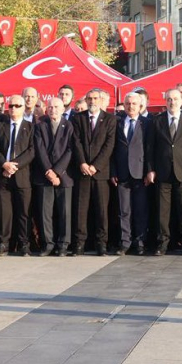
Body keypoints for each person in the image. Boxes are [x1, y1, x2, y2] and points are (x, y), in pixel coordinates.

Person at [147, 88, 182, 255]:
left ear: (181, 101)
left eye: (175, 99)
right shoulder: (157, 121)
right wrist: (150, 169)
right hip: (162, 171)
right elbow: (150, 147)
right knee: (163, 211)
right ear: (165, 101)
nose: (172, 102)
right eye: (169, 99)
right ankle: (162, 243)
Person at [71, 89, 116, 255]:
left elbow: (109, 145)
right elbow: (76, 142)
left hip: (100, 172)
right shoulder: (77, 118)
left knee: (102, 210)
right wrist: (82, 163)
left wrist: (96, 166)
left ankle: (101, 244)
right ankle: (79, 244)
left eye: (95, 98)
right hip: (82, 171)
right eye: (89, 98)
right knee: (80, 210)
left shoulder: (110, 119)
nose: (92, 101)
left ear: (101, 100)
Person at [0, 95, 35, 256]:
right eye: (11, 106)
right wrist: (4, 164)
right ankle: (3, 243)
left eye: (17, 106)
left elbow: (32, 150)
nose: (13, 108)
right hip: (3, 174)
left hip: (22, 175)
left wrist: (14, 165)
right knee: (4, 212)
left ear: (24, 108)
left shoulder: (30, 127)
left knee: (24, 212)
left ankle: (24, 244)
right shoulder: (0, 126)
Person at [34, 97, 74, 256]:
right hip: (44, 175)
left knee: (65, 212)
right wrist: (49, 171)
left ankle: (63, 245)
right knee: (45, 212)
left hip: (64, 175)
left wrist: (57, 171)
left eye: (56, 107)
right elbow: (40, 149)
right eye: (50, 107)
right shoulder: (40, 126)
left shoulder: (69, 126)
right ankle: (48, 244)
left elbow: (70, 150)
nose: (53, 110)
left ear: (63, 109)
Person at [110, 92, 149, 255]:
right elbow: (112, 149)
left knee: (140, 210)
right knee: (123, 210)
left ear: (140, 106)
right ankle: (125, 242)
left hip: (140, 173)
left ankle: (139, 242)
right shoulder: (117, 122)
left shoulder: (147, 123)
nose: (130, 106)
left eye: (134, 104)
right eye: (127, 103)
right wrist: (113, 171)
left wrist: (149, 171)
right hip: (122, 173)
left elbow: (150, 149)